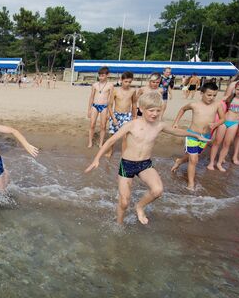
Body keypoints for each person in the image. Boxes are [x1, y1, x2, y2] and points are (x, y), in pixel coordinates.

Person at [85, 92, 209, 225]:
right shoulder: (132, 125)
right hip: (127, 165)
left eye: (158, 110)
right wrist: (97, 159)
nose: (155, 114)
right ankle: (119, 225)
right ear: (142, 109)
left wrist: (196, 136)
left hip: (145, 164)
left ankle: (139, 206)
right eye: (151, 110)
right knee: (124, 202)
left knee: (157, 190)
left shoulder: (159, 125)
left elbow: (177, 131)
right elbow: (111, 141)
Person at [170, 82, 225, 190]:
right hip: (192, 135)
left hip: (205, 136)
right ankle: (191, 184)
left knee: (193, 156)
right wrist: (176, 122)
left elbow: (223, 118)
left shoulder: (217, 105)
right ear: (202, 93)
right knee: (194, 160)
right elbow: (182, 109)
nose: (211, 97)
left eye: (214, 95)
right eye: (209, 95)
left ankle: (179, 161)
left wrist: (216, 124)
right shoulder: (194, 105)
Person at [207, 81, 239, 172]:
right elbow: (215, 104)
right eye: (237, 89)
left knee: (227, 144)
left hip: (234, 124)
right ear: (235, 89)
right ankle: (211, 163)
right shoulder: (229, 98)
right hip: (224, 122)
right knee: (217, 142)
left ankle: (219, 163)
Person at [104, 71, 136, 157]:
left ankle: (123, 154)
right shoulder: (115, 91)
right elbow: (110, 105)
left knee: (125, 136)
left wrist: (134, 116)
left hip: (127, 115)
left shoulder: (133, 91)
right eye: (126, 81)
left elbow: (134, 104)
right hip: (116, 115)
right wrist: (113, 118)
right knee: (112, 135)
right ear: (121, 80)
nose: (128, 84)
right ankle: (110, 151)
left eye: (129, 82)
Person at [87, 66, 114, 148]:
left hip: (104, 107)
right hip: (95, 106)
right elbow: (91, 97)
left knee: (103, 125)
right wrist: (89, 109)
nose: (101, 77)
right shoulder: (94, 85)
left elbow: (111, 100)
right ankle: (90, 142)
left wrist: (110, 112)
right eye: (100, 75)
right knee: (92, 124)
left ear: (107, 75)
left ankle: (101, 143)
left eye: (102, 75)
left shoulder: (110, 85)